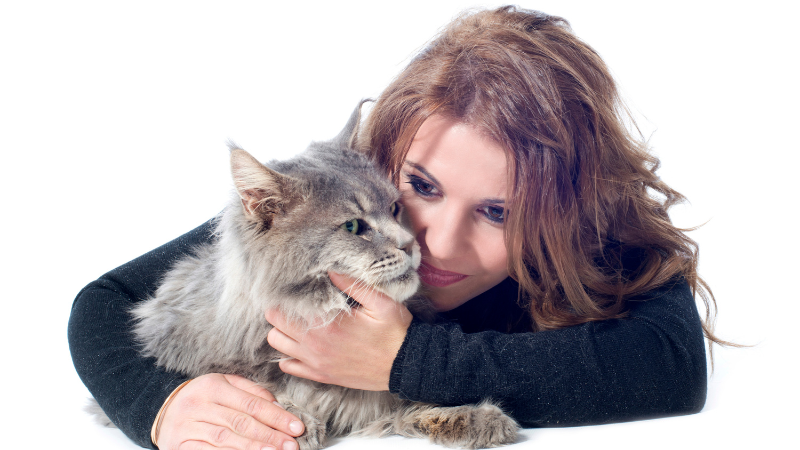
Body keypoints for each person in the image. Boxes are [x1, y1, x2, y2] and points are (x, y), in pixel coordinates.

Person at [68, 6, 728, 450]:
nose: (433, 242)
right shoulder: (347, 190)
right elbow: (101, 303)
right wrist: (157, 405)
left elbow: (672, 368)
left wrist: (407, 360)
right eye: (420, 187)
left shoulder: (591, 231)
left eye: (497, 213)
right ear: (385, 157)